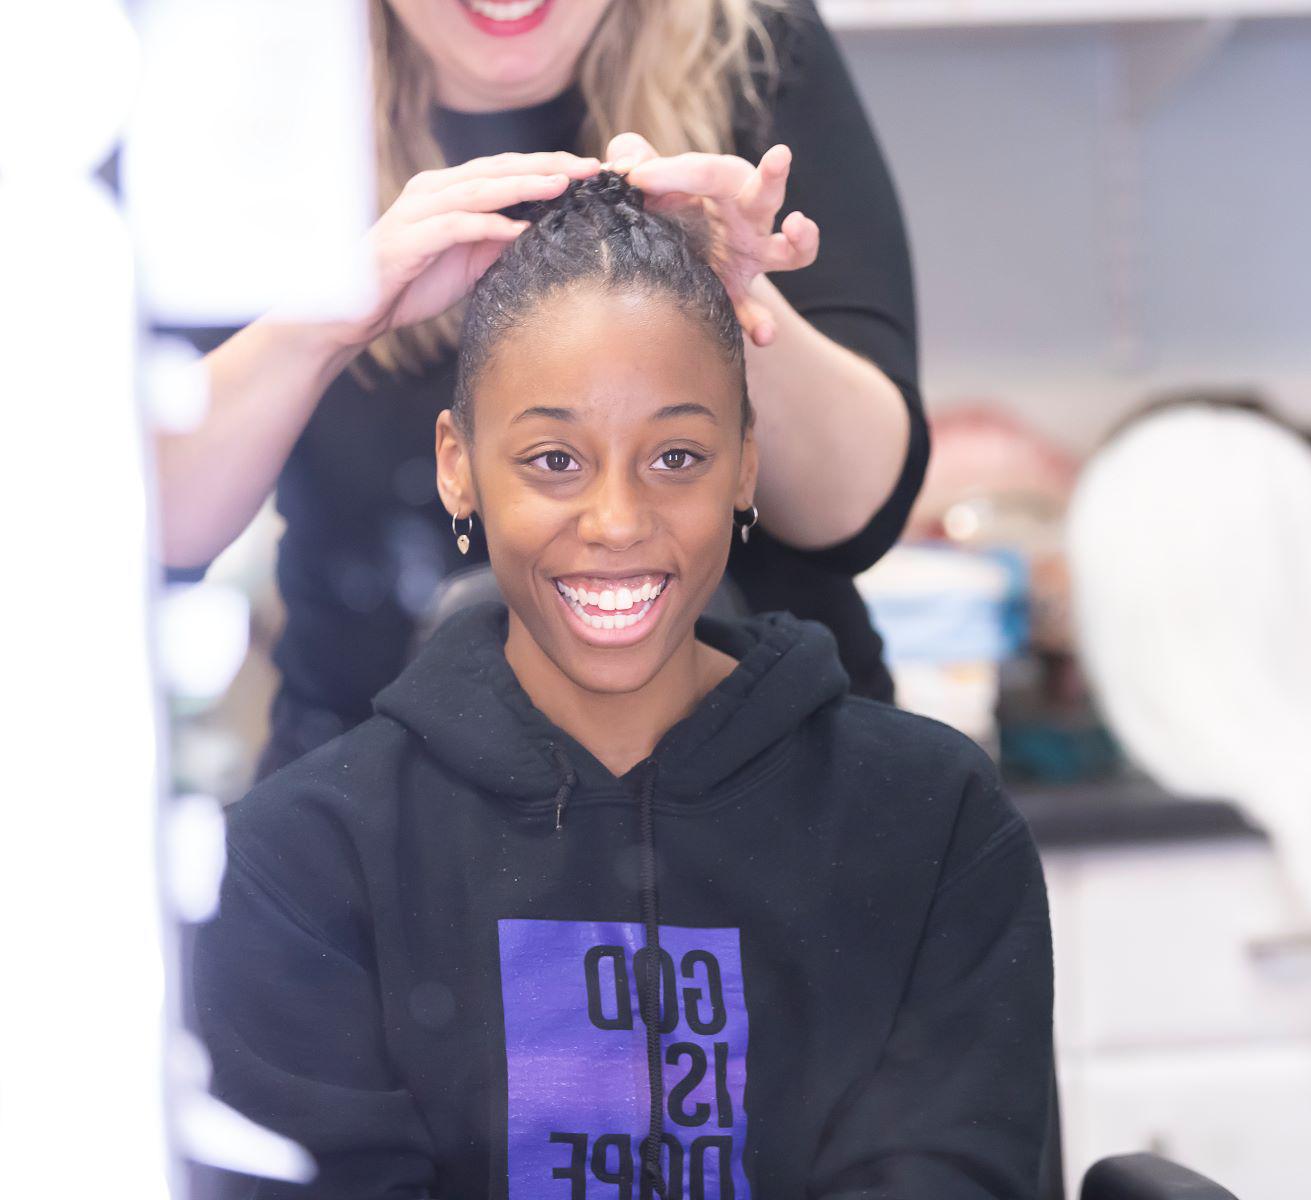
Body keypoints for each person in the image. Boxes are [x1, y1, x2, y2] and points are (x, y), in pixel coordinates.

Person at [189, 173, 1052, 1198]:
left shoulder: (929, 822)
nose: (615, 520)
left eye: (677, 455)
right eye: (555, 458)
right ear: (460, 470)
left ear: (744, 468)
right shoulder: (304, 864)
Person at [156, 0, 925, 777]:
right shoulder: (257, 82)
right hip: (367, 814)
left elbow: (855, 515)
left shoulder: (749, 42)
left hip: (783, 802)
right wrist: (325, 321)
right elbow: (155, 530)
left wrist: (733, 298)